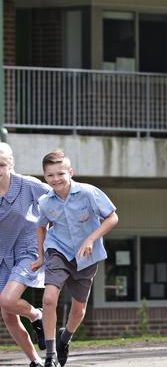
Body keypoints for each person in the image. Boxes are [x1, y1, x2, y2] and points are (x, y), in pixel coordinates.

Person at [31, 150, 119, 367]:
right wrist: (42, 255)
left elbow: (112, 217)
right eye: (50, 175)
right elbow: (41, 226)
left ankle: (65, 338)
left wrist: (91, 239)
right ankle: (50, 356)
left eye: (60, 173)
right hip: (58, 250)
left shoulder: (89, 193)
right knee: (49, 298)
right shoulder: (45, 202)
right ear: (45, 177)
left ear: (70, 172)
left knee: (78, 310)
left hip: (86, 256)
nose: (56, 179)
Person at [0, 142, 49, 367]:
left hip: (28, 251)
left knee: (8, 300)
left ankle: (36, 315)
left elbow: (57, 198)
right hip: (2, 256)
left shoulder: (27, 185)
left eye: (1, 164)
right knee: (8, 313)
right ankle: (35, 361)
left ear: (11, 164)